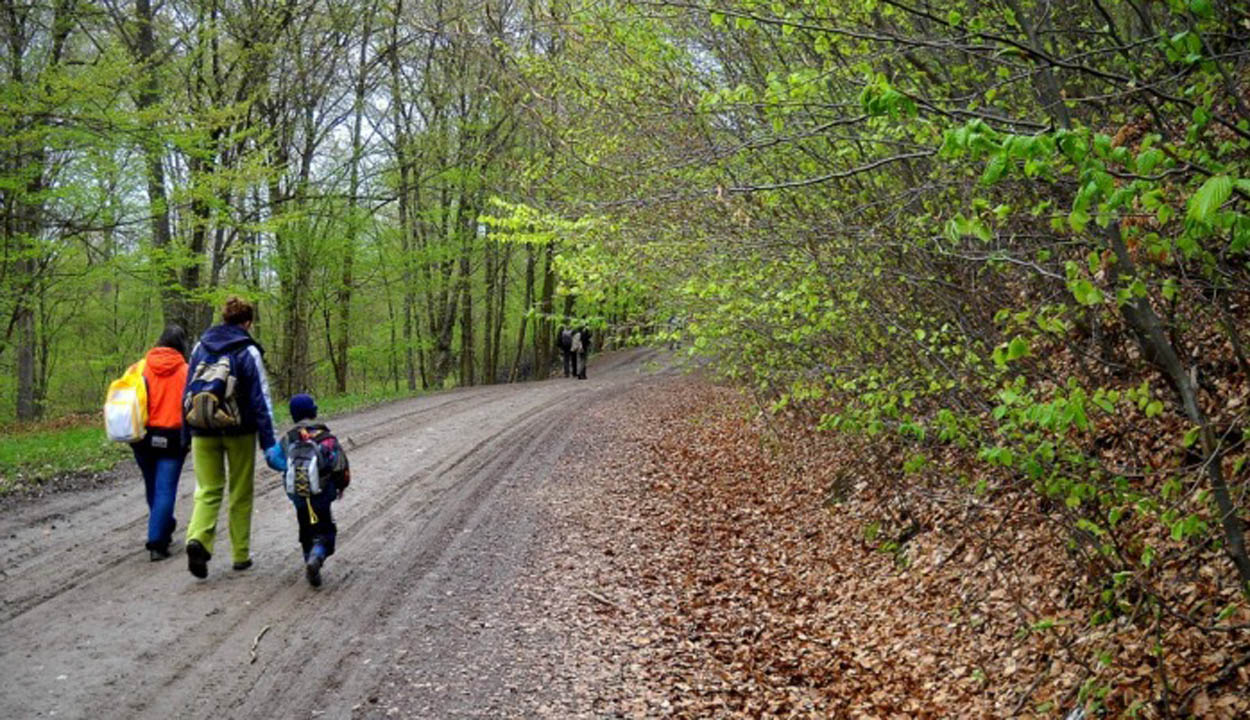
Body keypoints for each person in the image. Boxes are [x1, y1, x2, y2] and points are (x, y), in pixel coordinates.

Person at [182, 297, 278, 579]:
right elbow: (261, 399)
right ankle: (240, 555)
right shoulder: (247, 350)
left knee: (207, 490)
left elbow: (187, 390)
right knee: (240, 492)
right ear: (247, 322)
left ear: (224, 318)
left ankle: (198, 539)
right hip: (239, 431)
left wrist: (185, 434)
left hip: (202, 427)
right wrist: (269, 442)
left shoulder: (200, 346)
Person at [264, 394, 350, 587]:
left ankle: (308, 559)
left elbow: (271, 458)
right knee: (326, 531)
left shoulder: (289, 438)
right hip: (322, 492)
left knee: (306, 529)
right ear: (313, 412)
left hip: (298, 494)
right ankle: (317, 555)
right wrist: (340, 486)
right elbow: (339, 465)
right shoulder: (325, 437)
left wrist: (287, 467)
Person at [131, 325, 190, 561]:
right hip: (173, 438)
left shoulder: (139, 368)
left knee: (152, 486)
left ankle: (163, 525)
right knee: (165, 490)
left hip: (142, 437)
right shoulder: (187, 371)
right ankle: (156, 541)